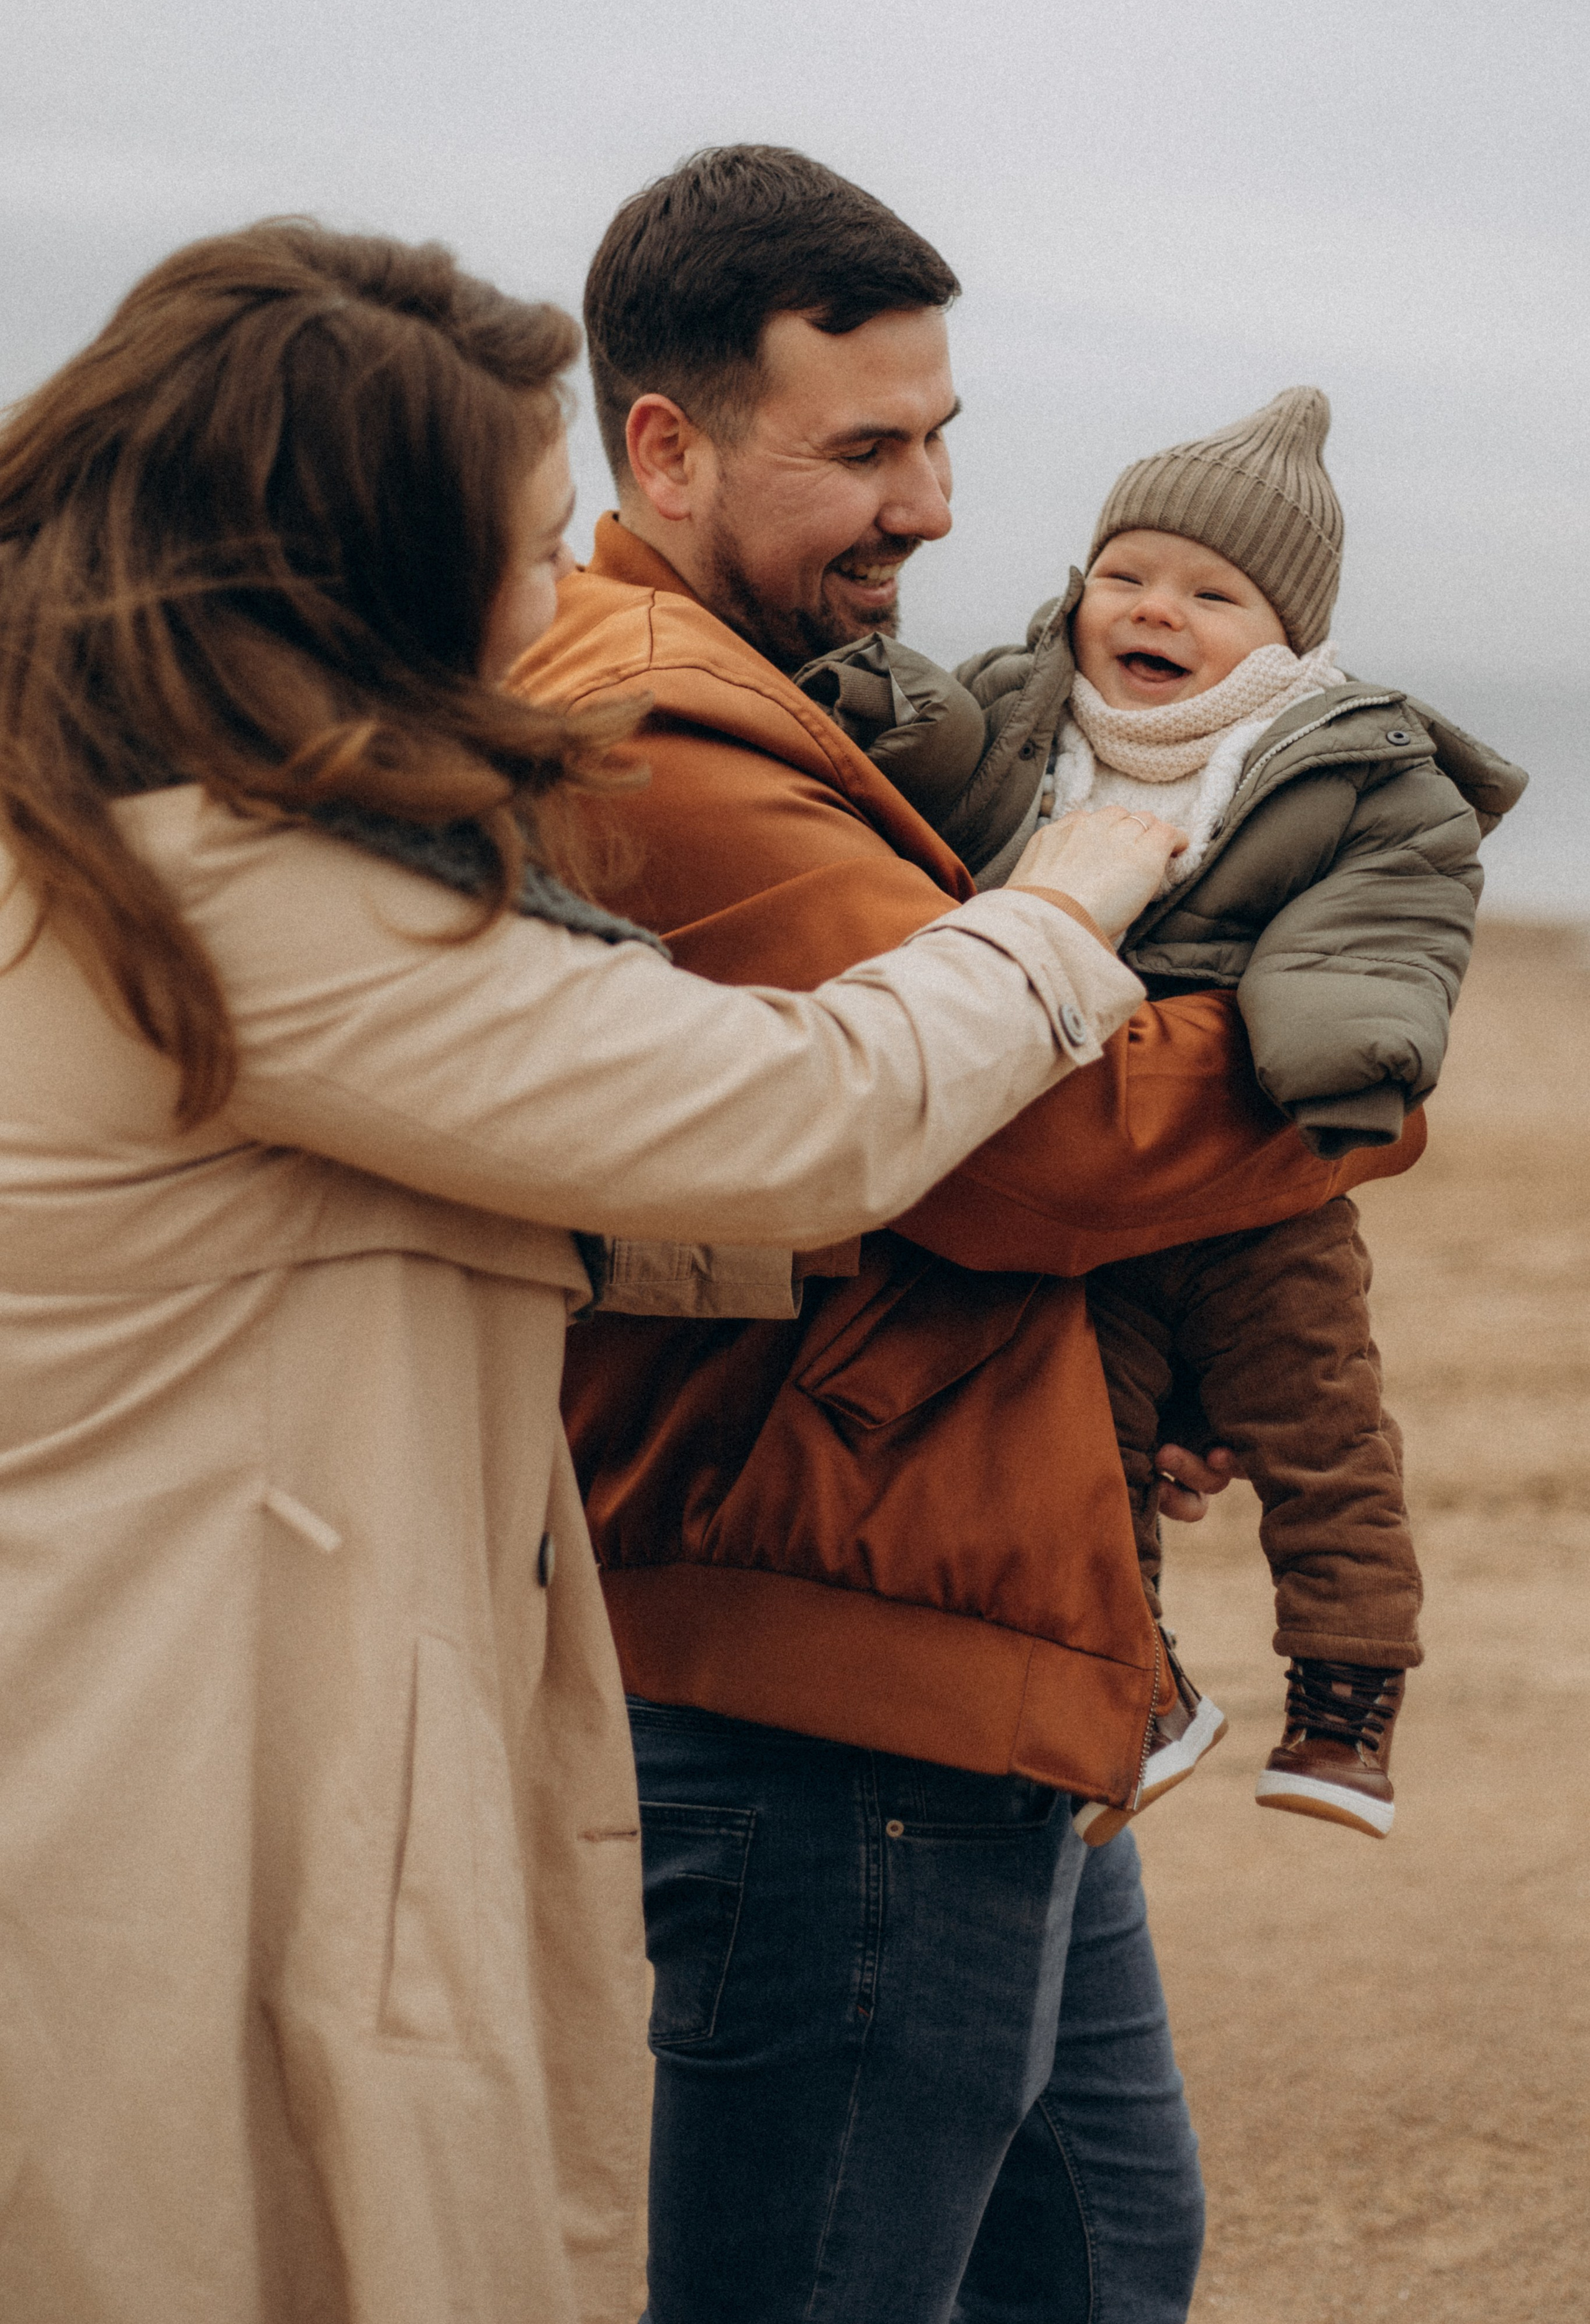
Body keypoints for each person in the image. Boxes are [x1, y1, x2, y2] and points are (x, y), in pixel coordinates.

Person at [0, 217, 1198, 2324]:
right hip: (170, 1750)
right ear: (364, 568)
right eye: (527, 540)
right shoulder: (239, 890)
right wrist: (1066, 905)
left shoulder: (111, 825)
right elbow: (803, 1110)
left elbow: (496, 1178)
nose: (555, 591)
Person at [516, 145, 1429, 2324]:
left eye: (940, 440)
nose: (931, 507)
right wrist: (1347, 1080)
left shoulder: (793, 694)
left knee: (1103, 2253)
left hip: (979, 1605)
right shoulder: (662, 728)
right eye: (865, 451)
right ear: (668, 446)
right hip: (833, 1671)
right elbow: (1029, 1140)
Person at [796, 385, 1527, 1842]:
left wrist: (1342, 1042)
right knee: (1084, 1453)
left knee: (1320, 1433)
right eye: (1125, 573)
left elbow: (1383, 916)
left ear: (1285, 636)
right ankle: (1135, 1695)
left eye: (1208, 593)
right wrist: (867, 698)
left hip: (1253, 1178)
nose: (1153, 609)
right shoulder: (1020, 711)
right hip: (1081, 1161)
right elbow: (938, 754)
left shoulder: (1347, 761)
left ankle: (1345, 1693)